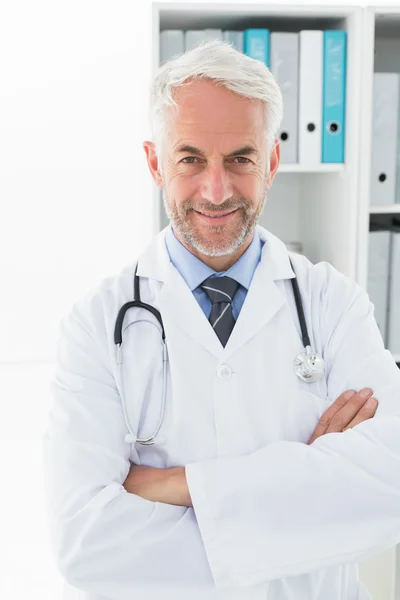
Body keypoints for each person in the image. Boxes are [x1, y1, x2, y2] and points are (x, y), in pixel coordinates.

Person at [42, 40, 400, 600]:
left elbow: (391, 487)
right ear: (156, 162)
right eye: (190, 158)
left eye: (240, 158)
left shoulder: (334, 303)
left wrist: (171, 485)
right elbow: (85, 544)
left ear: (272, 163)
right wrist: (310, 479)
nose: (216, 189)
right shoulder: (94, 325)